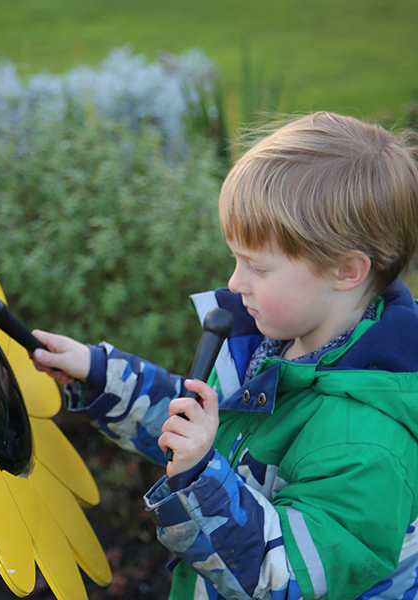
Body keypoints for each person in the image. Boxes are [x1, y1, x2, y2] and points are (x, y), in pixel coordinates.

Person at [30, 112, 418, 600]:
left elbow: (286, 578)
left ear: (346, 271)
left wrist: (199, 478)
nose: (235, 284)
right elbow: (202, 425)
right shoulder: (273, 343)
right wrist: (101, 376)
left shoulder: (364, 442)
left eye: (257, 266)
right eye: (236, 259)